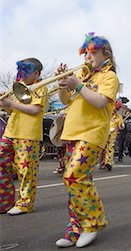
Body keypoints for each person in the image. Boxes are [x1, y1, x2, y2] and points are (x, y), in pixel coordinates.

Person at [54, 33, 119, 248]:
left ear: (105, 53)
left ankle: (92, 223)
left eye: (92, 53)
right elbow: (65, 101)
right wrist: (64, 85)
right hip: (73, 132)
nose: (87, 57)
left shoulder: (109, 77)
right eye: (85, 53)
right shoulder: (84, 75)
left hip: (92, 133)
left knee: (73, 178)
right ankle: (74, 228)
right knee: (77, 184)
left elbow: (100, 102)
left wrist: (78, 85)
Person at [0, 58, 48, 215]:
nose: (21, 74)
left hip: (28, 135)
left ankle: (25, 204)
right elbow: (12, 112)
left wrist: (11, 103)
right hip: (10, 132)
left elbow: (35, 110)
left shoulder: (40, 88)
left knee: (26, 170)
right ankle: (5, 201)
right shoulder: (18, 88)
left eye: (25, 71)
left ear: (36, 73)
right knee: (2, 165)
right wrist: (6, 105)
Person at [99, 100, 124, 171]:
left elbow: (122, 126)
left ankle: (108, 163)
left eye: (116, 109)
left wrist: (121, 125)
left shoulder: (119, 117)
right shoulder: (105, 114)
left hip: (113, 134)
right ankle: (102, 163)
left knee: (110, 147)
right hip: (104, 132)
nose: (114, 110)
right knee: (103, 148)